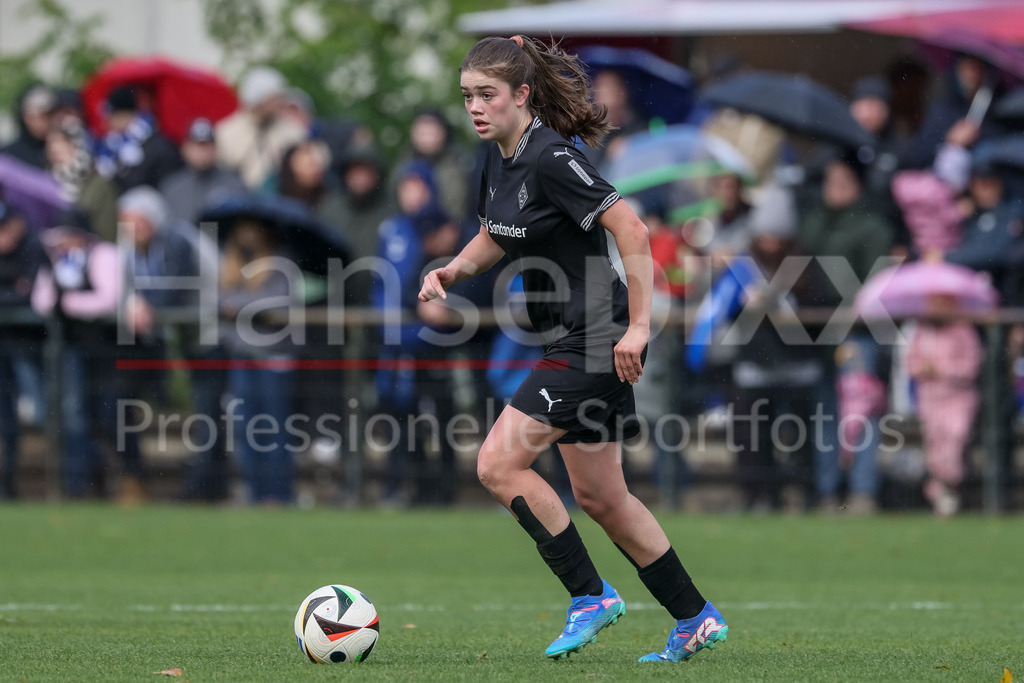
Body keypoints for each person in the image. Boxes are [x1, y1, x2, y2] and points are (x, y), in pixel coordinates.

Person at [418, 35, 726, 663]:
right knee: (602, 498)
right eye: (468, 96)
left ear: (522, 95)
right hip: (572, 339)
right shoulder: (499, 159)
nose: (475, 107)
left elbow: (632, 228)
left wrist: (639, 328)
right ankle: (695, 617)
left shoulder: (553, 158)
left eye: (487, 95)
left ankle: (590, 597)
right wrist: (453, 270)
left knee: (497, 465)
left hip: (596, 340)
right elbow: (496, 233)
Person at [905, 293, 983, 516]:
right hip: (930, 396)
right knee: (935, 444)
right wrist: (922, 369)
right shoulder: (923, 332)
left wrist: (942, 370)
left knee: (955, 438)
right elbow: (911, 362)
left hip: (957, 396)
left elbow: (971, 364)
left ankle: (948, 485)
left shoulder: (963, 331)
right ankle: (942, 493)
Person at [0, 203, 48, 498]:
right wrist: (12, 288)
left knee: (44, 414)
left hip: (31, 348)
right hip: (4, 349)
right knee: (6, 421)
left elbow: (30, 296)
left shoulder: (33, 247)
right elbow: (16, 294)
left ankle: (75, 481)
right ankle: (8, 485)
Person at [215, 67, 308, 189]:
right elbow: (219, 172)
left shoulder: (294, 131)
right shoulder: (226, 132)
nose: (279, 102)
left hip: (281, 199)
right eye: (273, 98)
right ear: (259, 100)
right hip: (238, 198)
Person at [94, 86, 182, 194]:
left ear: (124, 115)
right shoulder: (110, 144)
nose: (108, 122)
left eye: (112, 117)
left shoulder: (154, 143)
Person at [159, 117, 245, 224]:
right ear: (185, 149)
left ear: (216, 148)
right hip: (182, 240)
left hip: (218, 239)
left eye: (207, 146)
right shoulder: (171, 187)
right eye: (197, 146)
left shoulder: (234, 184)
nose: (202, 152)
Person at [45, 119, 119, 241]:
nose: (54, 148)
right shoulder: (47, 181)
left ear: (78, 144)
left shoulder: (97, 183)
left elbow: (108, 230)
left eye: (63, 141)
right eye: (50, 143)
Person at [1, 84, 53, 170]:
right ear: (25, 117)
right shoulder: (9, 155)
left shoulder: (62, 148)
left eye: (50, 114)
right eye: (42, 114)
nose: (48, 120)